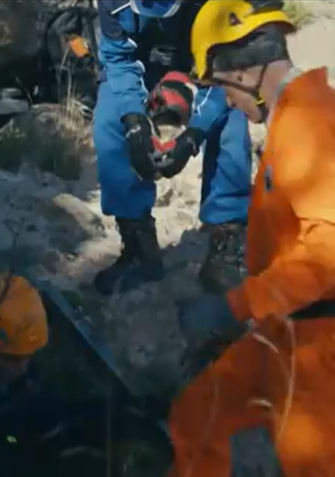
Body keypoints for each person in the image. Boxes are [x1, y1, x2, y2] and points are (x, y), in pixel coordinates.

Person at [161, 0, 335, 477]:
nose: (226, 98)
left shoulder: (307, 125)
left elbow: (331, 248)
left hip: (321, 349)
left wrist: (234, 306)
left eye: (221, 86)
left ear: (244, 69)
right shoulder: (307, 112)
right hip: (286, 330)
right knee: (196, 416)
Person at [92, 0, 254, 296]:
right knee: (109, 119)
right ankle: (138, 244)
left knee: (232, 120)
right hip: (142, 64)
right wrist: (133, 120)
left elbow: (224, 76)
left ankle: (226, 244)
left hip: (206, 61)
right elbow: (118, 60)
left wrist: (193, 135)